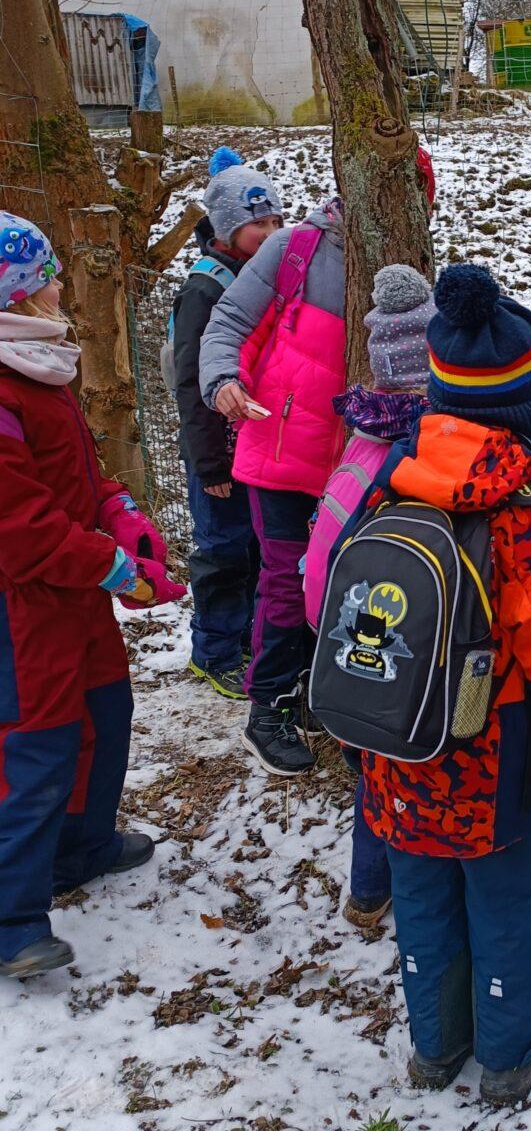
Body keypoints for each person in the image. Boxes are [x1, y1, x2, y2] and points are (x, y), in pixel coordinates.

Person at [359, 264, 531, 1105]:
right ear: (529, 410)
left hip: (396, 747)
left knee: (423, 898)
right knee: (506, 904)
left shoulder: (387, 486)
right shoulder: (523, 524)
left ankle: (436, 1048)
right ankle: (511, 1052)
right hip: (490, 761)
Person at [0, 213, 184, 981]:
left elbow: (79, 474)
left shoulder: (43, 368)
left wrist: (120, 510)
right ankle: (12, 915)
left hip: (78, 591)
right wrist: (107, 562)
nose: (59, 289)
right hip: (28, 608)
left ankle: (85, 841)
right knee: (36, 748)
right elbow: (19, 527)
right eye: (44, 280)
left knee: (106, 714)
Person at [304, 263, 436, 931]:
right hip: (381, 648)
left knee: (373, 774)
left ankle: (366, 892)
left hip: (334, 635)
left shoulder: (363, 434)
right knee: (393, 774)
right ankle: (391, 890)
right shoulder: (414, 458)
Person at [199, 187, 347, 777]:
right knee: (287, 580)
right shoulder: (294, 250)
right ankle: (270, 710)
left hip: (352, 461)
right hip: (281, 450)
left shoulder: (411, 254)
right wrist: (221, 380)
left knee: (340, 582)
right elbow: (227, 322)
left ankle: (321, 694)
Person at [171, 148, 282, 699]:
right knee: (220, 550)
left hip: (253, 444)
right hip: (217, 451)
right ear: (228, 228)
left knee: (252, 548)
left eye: (275, 221)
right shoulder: (205, 289)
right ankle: (213, 651)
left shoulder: (255, 275)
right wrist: (208, 460)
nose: (270, 231)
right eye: (257, 223)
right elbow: (191, 385)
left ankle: (239, 638)